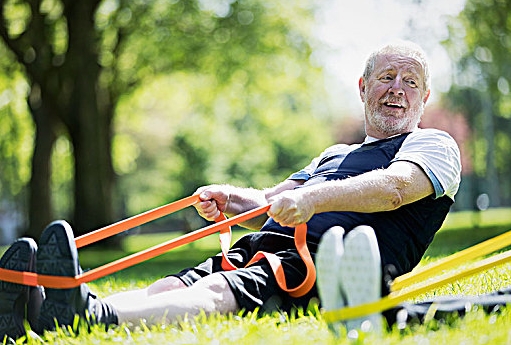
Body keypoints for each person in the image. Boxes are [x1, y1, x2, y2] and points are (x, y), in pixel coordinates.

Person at [0, 40, 462, 340]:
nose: (397, 90)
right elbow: (274, 199)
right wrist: (233, 197)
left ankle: (88, 317)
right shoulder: (334, 155)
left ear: (424, 97)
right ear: (364, 88)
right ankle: (49, 311)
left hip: (329, 264)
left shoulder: (433, 144)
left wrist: (312, 200)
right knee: (173, 283)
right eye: (386, 78)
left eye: (411, 83)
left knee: (223, 291)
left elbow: (396, 190)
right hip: (267, 245)